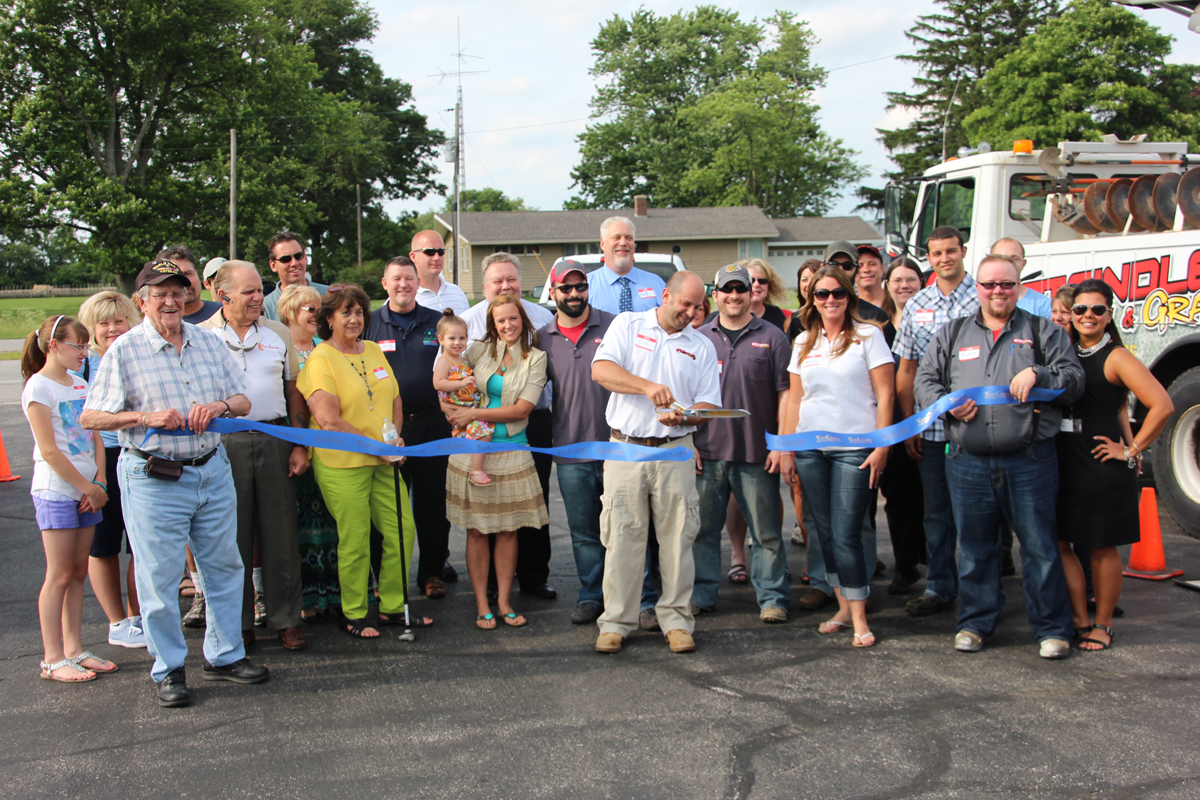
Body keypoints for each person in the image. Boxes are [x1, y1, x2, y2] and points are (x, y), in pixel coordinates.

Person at [81, 260, 267, 708]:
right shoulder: (124, 351)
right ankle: (168, 667)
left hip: (211, 469)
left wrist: (219, 406)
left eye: (177, 292)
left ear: (188, 296)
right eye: (159, 293)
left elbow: (244, 399)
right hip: (153, 476)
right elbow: (91, 415)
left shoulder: (207, 341)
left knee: (225, 567)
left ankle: (224, 656)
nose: (170, 300)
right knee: (159, 578)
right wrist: (144, 417)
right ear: (141, 300)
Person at [914, 255, 1084, 659]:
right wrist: (945, 404)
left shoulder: (1043, 332)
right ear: (978, 288)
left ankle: (1051, 629)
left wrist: (1041, 375)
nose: (997, 292)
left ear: (1018, 285)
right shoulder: (953, 333)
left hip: (1030, 460)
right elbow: (925, 381)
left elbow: (1074, 380)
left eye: (1006, 284)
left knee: (1040, 547)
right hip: (967, 460)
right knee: (974, 548)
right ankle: (976, 623)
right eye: (989, 284)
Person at [591, 271, 721, 654]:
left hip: (675, 450)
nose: (692, 313)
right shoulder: (629, 324)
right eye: (685, 304)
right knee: (622, 538)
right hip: (626, 448)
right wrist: (648, 387)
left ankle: (677, 621)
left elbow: (709, 405)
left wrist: (686, 416)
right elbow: (601, 370)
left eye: (698, 307)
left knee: (679, 540)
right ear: (666, 295)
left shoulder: (702, 345)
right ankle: (616, 622)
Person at [297, 284, 423, 639]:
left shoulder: (372, 350)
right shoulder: (321, 358)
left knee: (402, 529)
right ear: (328, 319)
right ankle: (354, 613)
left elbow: (394, 398)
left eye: (358, 312)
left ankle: (393, 607)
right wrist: (377, 447)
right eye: (345, 313)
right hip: (343, 462)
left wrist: (395, 437)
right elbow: (328, 420)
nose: (354, 319)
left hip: (384, 457)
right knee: (355, 537)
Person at [780, 266, 893, 648]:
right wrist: (787, 449)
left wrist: (882, 445)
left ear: (849, 297)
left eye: (838, 294)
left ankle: (860, 617)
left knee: (847, 532)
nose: (830, 300)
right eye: (822, 294)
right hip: (811, 447)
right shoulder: (803, 343)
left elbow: (886, 395)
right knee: (823, 531)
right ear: (811, 299)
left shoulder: (869, 336)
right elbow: (795, 399)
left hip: (854, 449)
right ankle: (843, 608)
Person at [1057, 278, 1173, 650]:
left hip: (1099, 464)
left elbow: (1162, 405)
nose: (1087, 315)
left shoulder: (1117, 356)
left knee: (1100, 547)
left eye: (1097, 309)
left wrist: (1132, 450)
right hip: (1063, 460)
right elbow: (1120, 404)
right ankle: (1078, 619)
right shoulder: (1066, 351)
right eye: (1080, 309)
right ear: (1070, 315)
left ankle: (1103, 624)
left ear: (1110, 315)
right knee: (1060, 543)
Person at [199, 261, 308, 652]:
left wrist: (299, 443)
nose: (258, 297)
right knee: (231, 539)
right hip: (223, 444)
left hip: (275, 437)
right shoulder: (200, 337)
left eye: (260, 290)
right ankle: (238, 622)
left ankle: (287, 619)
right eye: (248, 292)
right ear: (222, 295)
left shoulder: (278, 333)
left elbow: (293, 390)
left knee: (281, 534)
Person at [441, 295, 549, 630]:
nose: (508, 325)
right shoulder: (477, 351)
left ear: (523, 319)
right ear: (493, 324)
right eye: (501, 320)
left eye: (513, 319)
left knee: (507, 532)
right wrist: (448, 407)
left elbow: (521, 409)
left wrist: (471, 412)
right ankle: (482, 604)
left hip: (513, 452)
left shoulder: (537, 358)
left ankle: (504, 601)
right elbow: (446, 377)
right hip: (473, 453)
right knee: (476, 532)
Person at [692, 264, 792, 622]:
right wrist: (689, 443)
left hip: (756, 454)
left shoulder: (774, 337)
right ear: (715, 295)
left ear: (752, 293)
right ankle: (702, 594)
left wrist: (782, 444)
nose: (734, 296)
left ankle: (772, 598)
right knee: (703, 532)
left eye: (741, 289)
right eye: (727, 290)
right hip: (707, 453)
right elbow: (687, 397)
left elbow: (786, 395)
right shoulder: (698, 338)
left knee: (766, 533)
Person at [22, 315, 115, 682]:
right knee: (58, 575)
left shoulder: (79, 384)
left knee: (78, 572)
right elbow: (49, 450)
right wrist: (86, 486)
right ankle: (52, 657)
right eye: (78, 346)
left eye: (86, 345)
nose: (85, 353)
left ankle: (74, 648)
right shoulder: (38, 388)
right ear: (54, 346)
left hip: (87, 489)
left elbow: (94, 437)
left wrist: (101, 482)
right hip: (57, 491)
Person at [892, 225, 980, 618]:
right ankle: (940, 586)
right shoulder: (917, 304)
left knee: (979, 515)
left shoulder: (985, 297)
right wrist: (912, 422)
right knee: (936, 513)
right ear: (928, 258)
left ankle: (982, 590)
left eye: (951, 251)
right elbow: (906, 369)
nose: (944, 258)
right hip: (931, 428)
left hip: (979, 429)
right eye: (937, 253)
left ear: (963, 251)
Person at [460, 253, 557, 600]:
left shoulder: (543, 317)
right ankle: (488, 581)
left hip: (533, 421)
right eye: (498, 281)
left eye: (511, 280)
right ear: (484, 286)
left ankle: (533, 576)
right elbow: (452, 369)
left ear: (520, 281)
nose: (506, 286)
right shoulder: (468, 322)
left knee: (531, 501)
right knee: (486, 505)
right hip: (481, 429)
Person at [366, 256, 459, 599]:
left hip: (433, 425)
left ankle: (432, 572)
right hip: (387, 431)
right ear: (384, 283)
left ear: (418, 283)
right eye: (396, 279)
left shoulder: (437, 323)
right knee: (385, 507)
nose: (403, 284)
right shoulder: (370, 324)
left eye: (409, 278)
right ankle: (384, 578)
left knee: (434, 506)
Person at [536, 261, 618, 624]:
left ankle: (639, 596)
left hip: (618, 449)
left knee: (627, 528)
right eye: (565, 289)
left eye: (579, 286)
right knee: (584, 533)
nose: (573, 294)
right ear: (552, 293)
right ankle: (592, 595)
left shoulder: (616, 325)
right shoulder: (541, 337)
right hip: (570, 452)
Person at [76, 292, 144, 649]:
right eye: (103, 322)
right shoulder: (82, 365)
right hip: (98, 464)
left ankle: (138, 615)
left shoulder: (138, 355)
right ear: (91, 328)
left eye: (119, 320)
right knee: (103, 546)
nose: (112, 328)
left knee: (139, 545)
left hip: (138, 457)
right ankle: (117, 622)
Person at [277, 284, 341, 621]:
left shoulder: (325, 348)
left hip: (327, 448)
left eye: (319, 308)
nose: (316, 314)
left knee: (328, 522)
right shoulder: (278, 348)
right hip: (288, 446)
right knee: (294, 526)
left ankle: (331, 592)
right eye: (309, 309)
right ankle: (303, 598)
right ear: (289, 312)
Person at [878, 259, 927, 595]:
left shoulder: (931, 322)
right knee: (898, 496)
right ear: (887, 284)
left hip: (931, 419)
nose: (904, 285)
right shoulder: (876, 326)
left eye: (911, 279)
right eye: (897, 280)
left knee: (933, 498)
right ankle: (905, 564)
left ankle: (937, 563)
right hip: (891, 423)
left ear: (922, 283)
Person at [434, 310, 495, 485]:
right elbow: (438, 383)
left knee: (474, 431)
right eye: (451, 338)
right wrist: (460, 384)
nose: (457, 342)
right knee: (484, 428)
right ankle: (476, 470)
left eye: (461, 338)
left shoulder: (461, 359)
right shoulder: (444, 361)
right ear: (441, 340)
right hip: (456, 405)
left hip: (468, 403)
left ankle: (468, 466)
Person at [586, 216, 666, 314]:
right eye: (616, 238)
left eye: (629, 238)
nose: (623, 243)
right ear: (602, 243)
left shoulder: (656, 283)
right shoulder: (586, 286)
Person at [263, 232, 328, 322]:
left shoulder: (330, 296)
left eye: (298, 256)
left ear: (305, 258)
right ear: (273, 265)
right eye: (286, 259)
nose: (294, 263)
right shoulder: (265, 308)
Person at [410, 230, 470, 314]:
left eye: (441, 252)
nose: (436, 257)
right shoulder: (406, 297)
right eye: (430, 252)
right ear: (413, 257)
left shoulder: (458, 293)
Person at [990, 238, 1053, 318]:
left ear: (1023, 263)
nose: (1009, 263)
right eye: (1001, 258)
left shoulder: (1044, 306)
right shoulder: (978, 301)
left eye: (1014, 258)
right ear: (989, 262)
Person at [157, 245, 221, 324]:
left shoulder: (223, 313)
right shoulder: (159, 323)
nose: (184, 281)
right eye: (175, 277)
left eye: (188, 274)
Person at [855, 245, 887, 309]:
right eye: (860, 266)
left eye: (872, 264)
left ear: (882, 269)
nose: (866, 270)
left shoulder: (897, 301)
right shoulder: (847, 307)